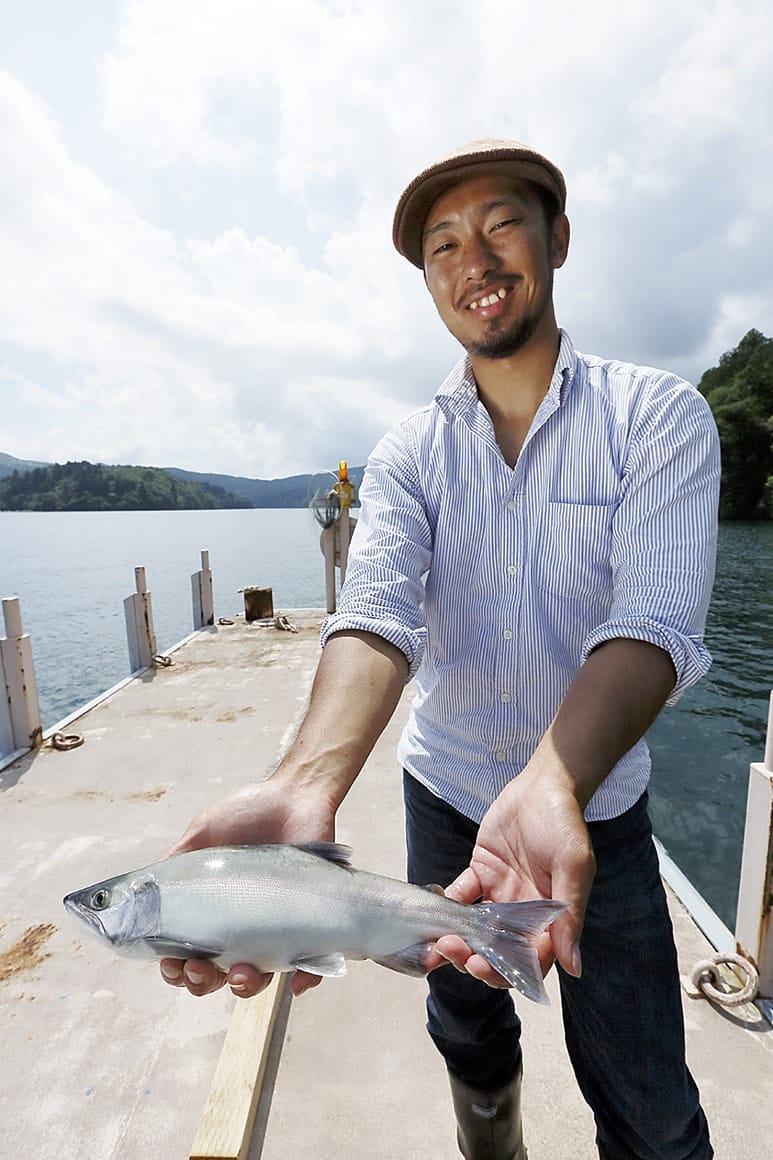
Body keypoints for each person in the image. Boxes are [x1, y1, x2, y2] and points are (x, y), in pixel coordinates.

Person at [160, 139, 720, 1160]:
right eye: (442, 245)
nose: (475, 259)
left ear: (555, 236)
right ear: (428, 283)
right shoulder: (409, 450)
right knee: (463, 1025)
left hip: (596, 814)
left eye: (501, 223)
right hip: (446, 796)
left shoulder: (657, 418)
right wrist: (304, 782)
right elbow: (375, 614)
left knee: (643, 1084)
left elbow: (653, 623)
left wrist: (552, 779)